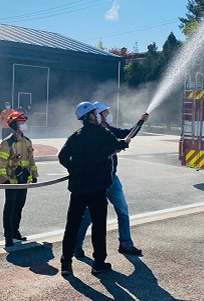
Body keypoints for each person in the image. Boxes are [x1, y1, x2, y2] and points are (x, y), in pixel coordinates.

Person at [58, 101, 130, 277]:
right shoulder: (102, 133)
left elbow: (62, 156)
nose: (98, 115)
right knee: (98, 226)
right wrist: (125, 142)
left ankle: (66, 263)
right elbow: (117, 145)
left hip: (78, 189)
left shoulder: (75, 136)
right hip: (97, 189)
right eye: (95, 113)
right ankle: (98, 263)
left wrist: (73, 169)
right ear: (90, 115)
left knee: (72, 225)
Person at [74, 101, 148, 258]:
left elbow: (128, 133)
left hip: (112, 179)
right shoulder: (92, 133)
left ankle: (126, 243)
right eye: (105, 112)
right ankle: (76, 245)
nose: (108, 114)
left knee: (123, 211)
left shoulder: (109, 129)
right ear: (96, 115)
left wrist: (140, 122)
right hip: (97, 181)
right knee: (88, 216)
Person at [0, 111, 39, 247]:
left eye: (24, 122)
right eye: (21, 122)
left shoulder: (27, 142)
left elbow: (31, 160)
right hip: (11, 181)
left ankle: (15, 231)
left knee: (19, 205)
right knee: (10, 207)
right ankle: (8, 235)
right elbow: (0, 162)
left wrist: (34, 174)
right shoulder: (7, 143)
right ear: (14, 124)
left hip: (23, 181)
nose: (24, 125)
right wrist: (4, 179)